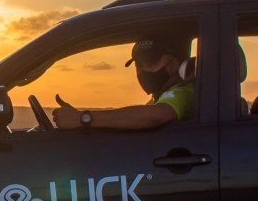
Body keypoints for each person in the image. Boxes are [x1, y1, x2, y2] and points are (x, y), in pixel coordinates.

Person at [52, 35, 194, 130]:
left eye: (151, 62)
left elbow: (156, 116)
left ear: (175, 63)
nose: (143, 70)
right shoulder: (157, 99)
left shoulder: (183, 91)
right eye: (139, 65)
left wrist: (83, 118)